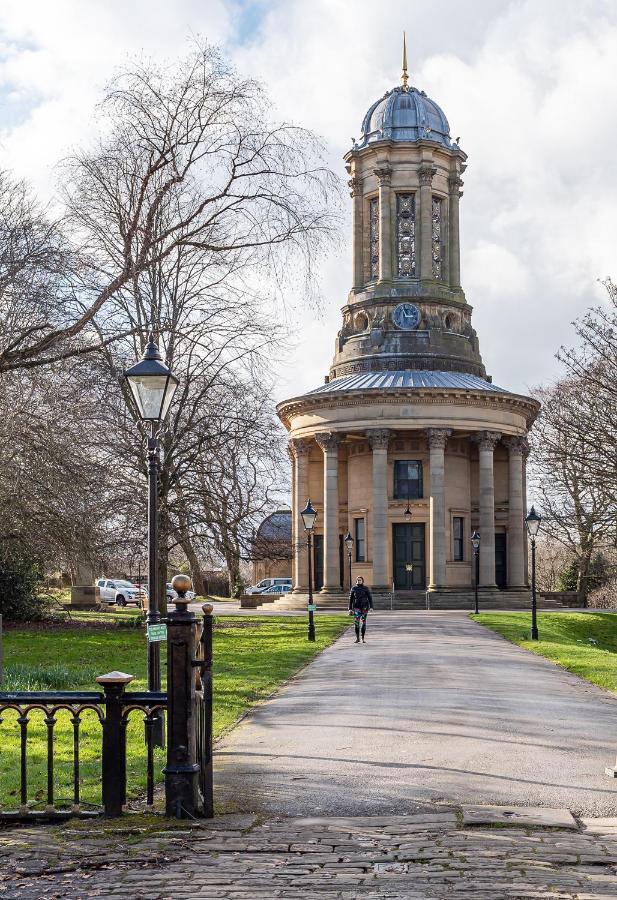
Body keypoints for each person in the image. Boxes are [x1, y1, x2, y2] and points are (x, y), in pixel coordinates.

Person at [348, 576, 373, 643]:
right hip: (356, 608)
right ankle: (357, 638)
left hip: (364, 608)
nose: (359, 581)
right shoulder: (353, 588)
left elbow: (370, 598)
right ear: (356, 581)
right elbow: (351, 599)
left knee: (363, 623)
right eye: (357, 580)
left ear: (362, 581)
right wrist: (350, 608)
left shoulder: (366, 588)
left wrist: (371, 607)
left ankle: (363, 638)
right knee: (356, 623)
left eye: (360, 580)